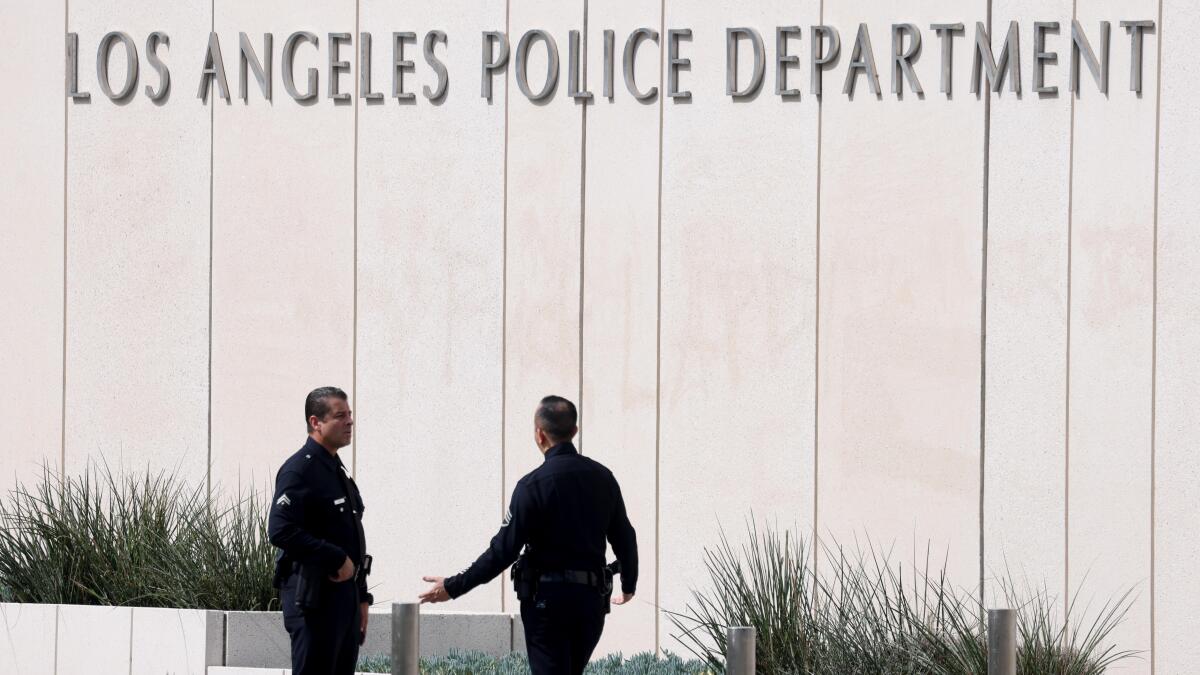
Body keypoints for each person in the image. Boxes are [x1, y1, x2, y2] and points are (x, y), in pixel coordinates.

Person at [419, 395, 638, 675]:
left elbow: (502, 552)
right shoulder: (603, 478)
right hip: (590, 604)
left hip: (547, 606)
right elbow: (625, 538)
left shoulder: (531, 486)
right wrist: (628, 583)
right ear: (574, 431)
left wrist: (453, 586)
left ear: (539, 434)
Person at [269, 386, 373, 675]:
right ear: (315, 422)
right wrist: (335, 558)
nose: (350, 421)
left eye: (349, 414)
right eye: (340, 416)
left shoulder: (336, 469)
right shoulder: (300, 470)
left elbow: (348, 536)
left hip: (344, 600)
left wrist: (361, 596)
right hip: (314, 601)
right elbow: (280, 530)